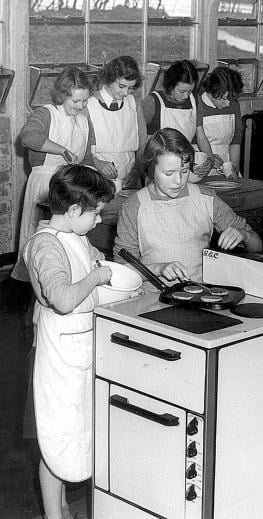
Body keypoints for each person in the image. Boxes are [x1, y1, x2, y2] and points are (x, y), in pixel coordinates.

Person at [23, 165, 114, 519]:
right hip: (58, 354)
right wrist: (95, 276)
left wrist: (98, 265)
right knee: (57, 439)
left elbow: (88, 267)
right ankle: (52, 515)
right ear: (74, 210)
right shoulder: (45, 244)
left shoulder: (77, 236)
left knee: (76, 433)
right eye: (97, 212)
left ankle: (60, 505)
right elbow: (62, 298)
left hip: (80, 348)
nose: (100, 219)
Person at [113, 127, 262, 284]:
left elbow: (257, 246)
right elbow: (122, 271)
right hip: (153, 298)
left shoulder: (205, 198)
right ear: (151, 170)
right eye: (169, 173)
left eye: (184, 171)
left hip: (200, 291)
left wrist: (244, 235)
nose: (179, 181)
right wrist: (158, 268)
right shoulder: (134, 206)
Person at [10, 67, 93, 286]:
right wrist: (61, 150)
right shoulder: (46, 113)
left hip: (69, 186)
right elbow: (28, 137)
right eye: (75, 101)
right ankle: (31, 292)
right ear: (62, 95)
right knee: (39, 240)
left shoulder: (84, 120)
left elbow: (87, 158)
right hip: (44, 183)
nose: (81, 106)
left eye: (84, 101)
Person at [142, 59, 214, 181]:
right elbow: (142, 143)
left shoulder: (195, 100)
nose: (186, 96)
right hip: (159, 170)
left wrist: (210, 159)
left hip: (184, 165)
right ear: (170, 85)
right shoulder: (153, 102)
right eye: (182, 91)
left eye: (190, 91)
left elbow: (201, 135)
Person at [86, 55, 147, 192]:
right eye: (121, 86)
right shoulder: (89, 105)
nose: (125, 93)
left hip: (129, 180)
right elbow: (78, 147)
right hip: (96, 180)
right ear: (109, 79)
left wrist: (137, 170)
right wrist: (98, 164)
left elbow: (142, 144)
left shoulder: (134, 104)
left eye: (130, 88)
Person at [198, 66, 245, 177]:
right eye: (223, 99)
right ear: (211, 91)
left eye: (231, 99)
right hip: (200, 169)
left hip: (226, 167)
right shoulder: (197, 104)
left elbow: (235, 141)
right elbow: (186, 143)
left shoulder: (233, 104)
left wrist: (234, 169)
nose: (228, 104)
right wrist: (207, 156)